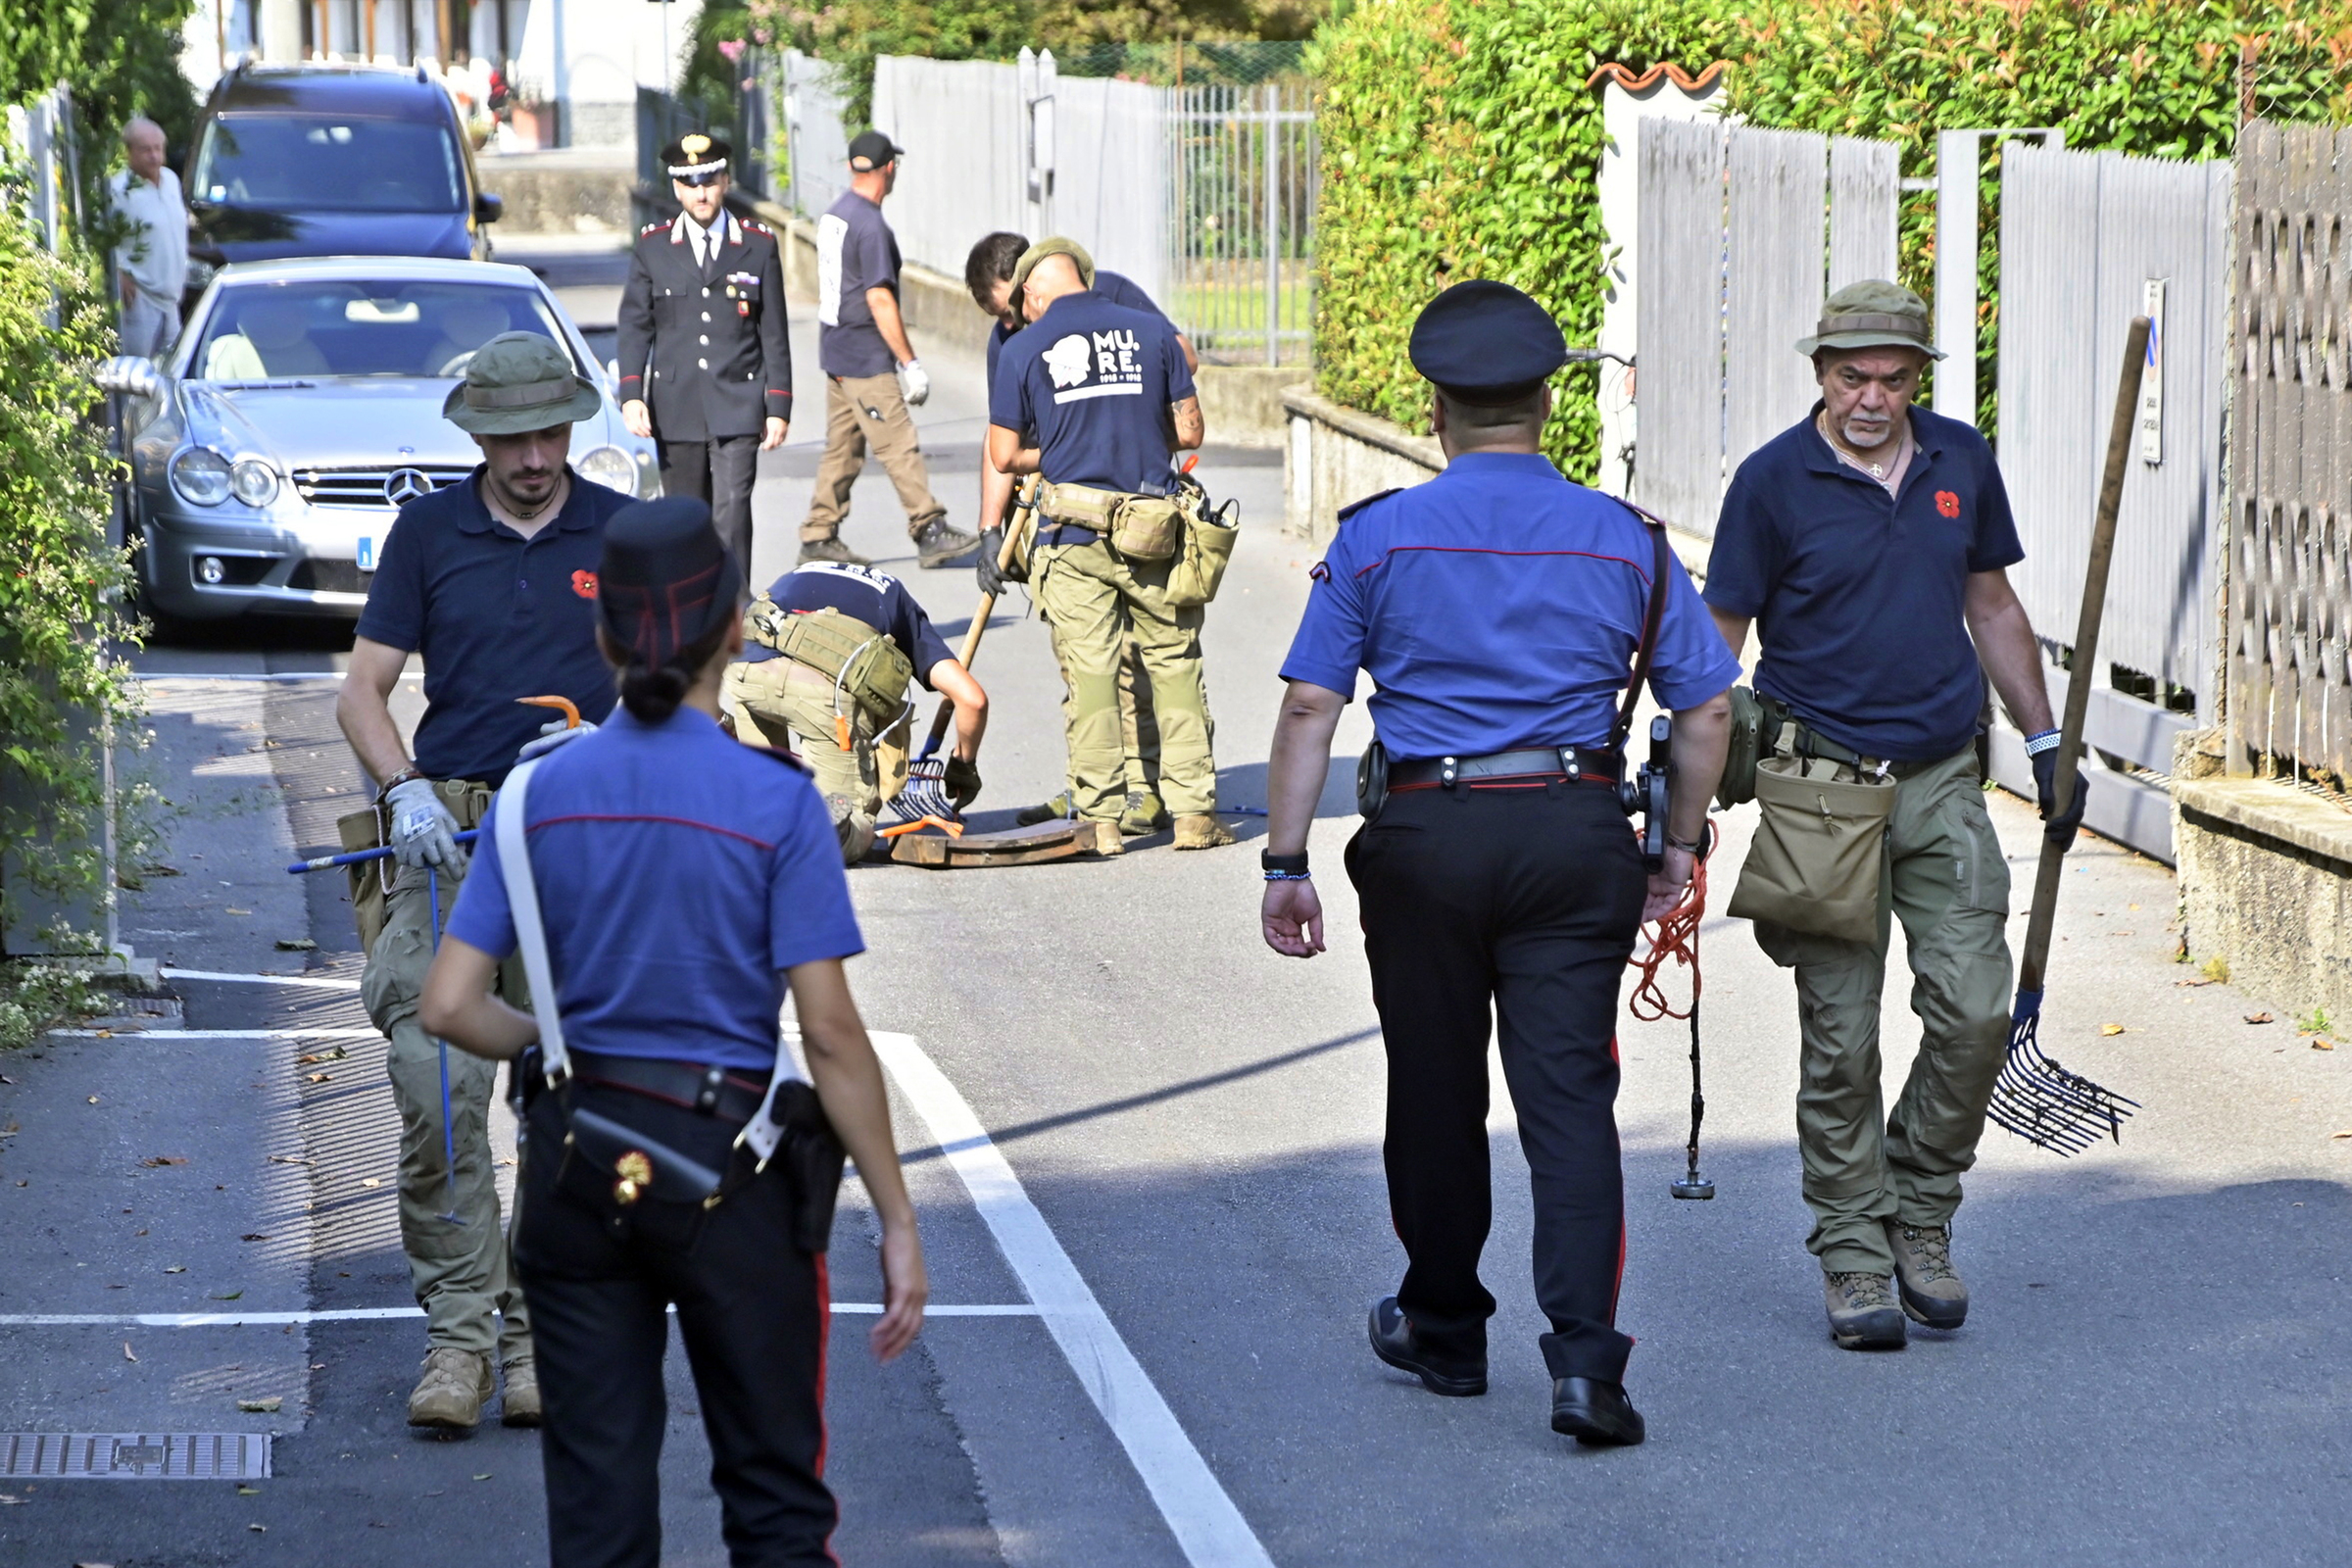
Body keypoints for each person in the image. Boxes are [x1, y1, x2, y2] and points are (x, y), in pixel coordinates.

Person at [1259, 280, 1737, 1446]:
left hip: (1428, 835)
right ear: (1545, 408)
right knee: (1569, 1101)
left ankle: (1446, 1328)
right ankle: (1587, 1369)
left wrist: (1285, 861)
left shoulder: (1377, 535)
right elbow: (1708, 711)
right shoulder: (1628, 540)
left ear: (1436, 411)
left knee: (1434, 1084)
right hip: (1575, 833)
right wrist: (1675, 846)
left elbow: (1313, 707)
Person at [418, 497, 926, 1568]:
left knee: (598, 1515)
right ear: (735, 632)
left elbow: (450, 1003)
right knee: (774, 1500)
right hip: (731, 1174)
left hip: (573, 1166)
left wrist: (550, 1050)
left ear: (604, 638)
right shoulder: (776, 801)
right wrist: (896, 1213)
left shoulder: (531, 796)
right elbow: (830, 1036)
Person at [1701, 279, 2086, 1350]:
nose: (1872, 397)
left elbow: (1993, 603)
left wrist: (2046, 739)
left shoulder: (1960, 461)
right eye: (1851, 375)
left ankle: (1920, 1206)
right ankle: (1856, 1251)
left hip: (1940, 779)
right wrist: (1679, 784)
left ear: (1919, 376)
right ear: (1820, 370)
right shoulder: (1774, 481)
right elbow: (1716, 634)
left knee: (1972, 1009)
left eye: (1893, 377)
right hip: (1817, 790)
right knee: (1842, 1038)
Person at [334, 332, 636, 1431]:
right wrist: (404, 787)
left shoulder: (618, 531)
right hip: (447, 838)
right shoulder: (427, 533)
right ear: (478, 437)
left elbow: (682, 685)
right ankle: (461, 1338)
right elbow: (364, 690)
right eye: (513, 438)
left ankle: (539, 1343)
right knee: (436, 1086)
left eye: (553, 432)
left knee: (577, 1095)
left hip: (582, 835)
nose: (536, 457)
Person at [986, 237, 1230, 854]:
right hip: (1154, 527)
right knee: (1174, 663)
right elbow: (1191, 429)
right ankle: (1195, 814)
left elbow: (1005, 455)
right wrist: (1130, 428)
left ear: (1035, 291)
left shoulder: (1021, 350)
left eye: (1027, 300)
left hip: (1073, 533)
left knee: (1092, 671)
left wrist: (1065, 449)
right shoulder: (1152, 332)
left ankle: (1099, 822)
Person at [724, 555, 989, 860]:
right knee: (849, 830)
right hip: (821, 695)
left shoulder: (797, 573)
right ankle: (830, 828)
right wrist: (963, 765)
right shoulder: (895, 596)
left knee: (766, 796)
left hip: (747, 673)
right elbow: (972, 699)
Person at [798, 130, 980, 570]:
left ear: (851, 167)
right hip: (864, 357)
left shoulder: (836, 213)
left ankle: (819, 534)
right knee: (899, 443)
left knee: (843, 448)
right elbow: (879, 299)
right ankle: (929, 528)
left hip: (837, 350)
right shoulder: (871, 226)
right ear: (889, 168)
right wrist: (910, 362)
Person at [615, 132, 791, 572]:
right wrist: (632, 394)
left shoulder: (758, 244)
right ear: (677, 188)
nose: (702, 193)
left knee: (732, 513)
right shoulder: (653, 247)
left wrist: (778, 405)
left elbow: (773, 332)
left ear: (726, 182)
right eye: (691, 184)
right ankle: (690, 616)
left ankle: (734, 617)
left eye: (710, 181)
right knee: (685, 520)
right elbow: (636, 324)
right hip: (677, 406)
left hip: (738, 400)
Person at [109, 117, 187, 361]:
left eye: (158, 148)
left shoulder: (171, 181)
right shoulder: (118, 189)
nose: (154, 156)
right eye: (146, 150)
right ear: (129, 151)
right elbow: (103, 238)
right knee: (136, 375)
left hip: (172, 299)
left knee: (175, 371)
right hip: (140, 298)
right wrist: (118, 271)